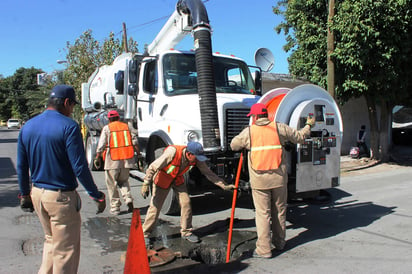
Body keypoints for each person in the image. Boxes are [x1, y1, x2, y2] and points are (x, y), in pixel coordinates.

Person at [17, 84, 106, 273]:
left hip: (37, 195)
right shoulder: (69, 127)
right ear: (66, 102)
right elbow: (80, 167)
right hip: (60, 199)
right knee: (65, 253)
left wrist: (25, 194)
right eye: (72, 105)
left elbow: (22, 166)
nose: (72, 110)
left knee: (51, 242)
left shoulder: (28, 127)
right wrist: (95, 194)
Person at [230, 103, 315, 259]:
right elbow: (300, 137)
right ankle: (280, 243)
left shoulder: (249, 131)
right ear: (266, 115)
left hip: (259, 181)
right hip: (279, 179)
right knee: (279, 211)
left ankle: (264, 250)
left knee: (263, 214)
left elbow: (234, 145)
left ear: (255, 117)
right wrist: (308, 125)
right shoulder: (278, 128)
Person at [141, 141, 236, 244]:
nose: (198, 160)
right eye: (196, 157)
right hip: (163, 179)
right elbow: (153, 167)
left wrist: (224, 185)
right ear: (189, 154)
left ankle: (186, 232)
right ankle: (145, 234)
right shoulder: (172, 153)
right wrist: (146, 183)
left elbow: (209, 173)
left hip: (177, 180)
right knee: (155, 207)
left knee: (186, 203)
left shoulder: (196, 158)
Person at [96, 110, 140, 215]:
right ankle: (128, 199)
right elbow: (135, 142)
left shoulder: (107, 128)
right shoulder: (126, 127)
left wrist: (97, 157)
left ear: (108, 119)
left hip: (112, 161)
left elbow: (101, 145)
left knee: (112, 184)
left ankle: (115, 207)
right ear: (118, 118)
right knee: (123, 181)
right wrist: (138, 155)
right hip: (126, 160)